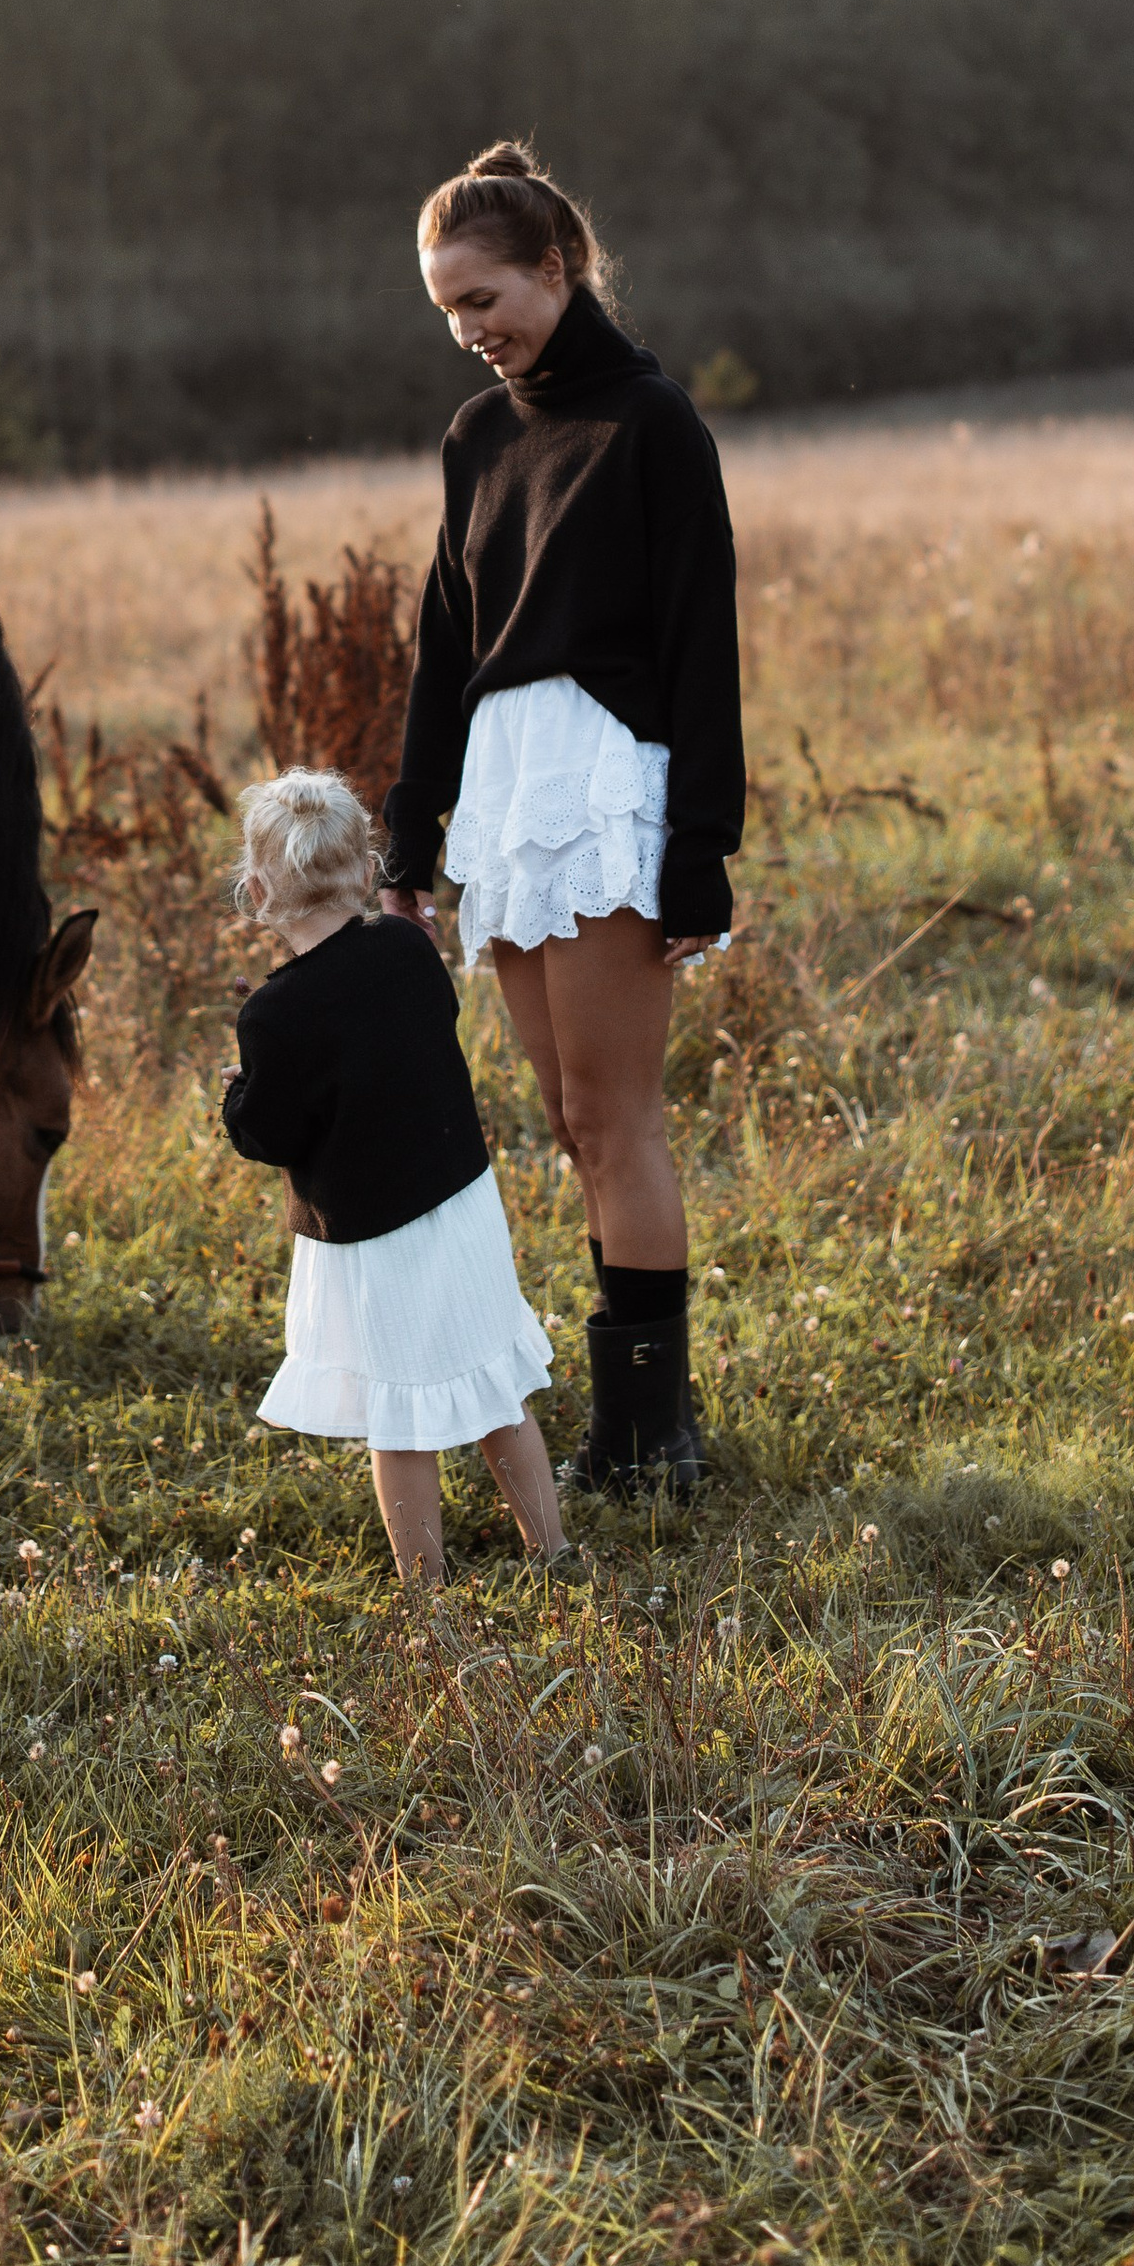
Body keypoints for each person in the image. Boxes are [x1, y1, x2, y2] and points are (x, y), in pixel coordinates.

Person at [379, 139, 743, 1492]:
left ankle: (655, 1435)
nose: (473, 331)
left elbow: (706, 644)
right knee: (568, 1116)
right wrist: (408, 850)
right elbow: (441, 647)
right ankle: (629, 1424)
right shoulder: (476, 437)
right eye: (448, 311)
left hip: (604, 789)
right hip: (504, 784)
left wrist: (702, 844)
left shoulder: (653, 423)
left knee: (614, 1113)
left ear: (556, 264)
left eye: (486, 297)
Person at [222, 765, 570, 1586]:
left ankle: (428, 1593)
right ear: (364, 865)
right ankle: (552, 1552)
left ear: (258, 885)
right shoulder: (410, 950)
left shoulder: (274, 1012)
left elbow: (268, 1133)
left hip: (375, 1241)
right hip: (461, 1204)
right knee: (496, 1385)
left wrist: (239, 1094)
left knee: (399, 1420)